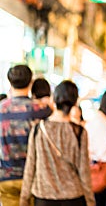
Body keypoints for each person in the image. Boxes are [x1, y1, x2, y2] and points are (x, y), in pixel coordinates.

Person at [20, 80, 95, 206]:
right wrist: (90, 201)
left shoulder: (38, 129)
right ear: (75, 102)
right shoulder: (79, 132)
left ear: (54, 99)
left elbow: (30, 166)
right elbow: (84, 171)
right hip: (73, 197)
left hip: (43, 196)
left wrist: (24, 198)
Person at [0, 65, 52, 206]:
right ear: (30, 82)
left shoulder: (1, 109)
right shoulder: (42, 110)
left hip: (5, 177)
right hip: (34, 178)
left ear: (10, 82)